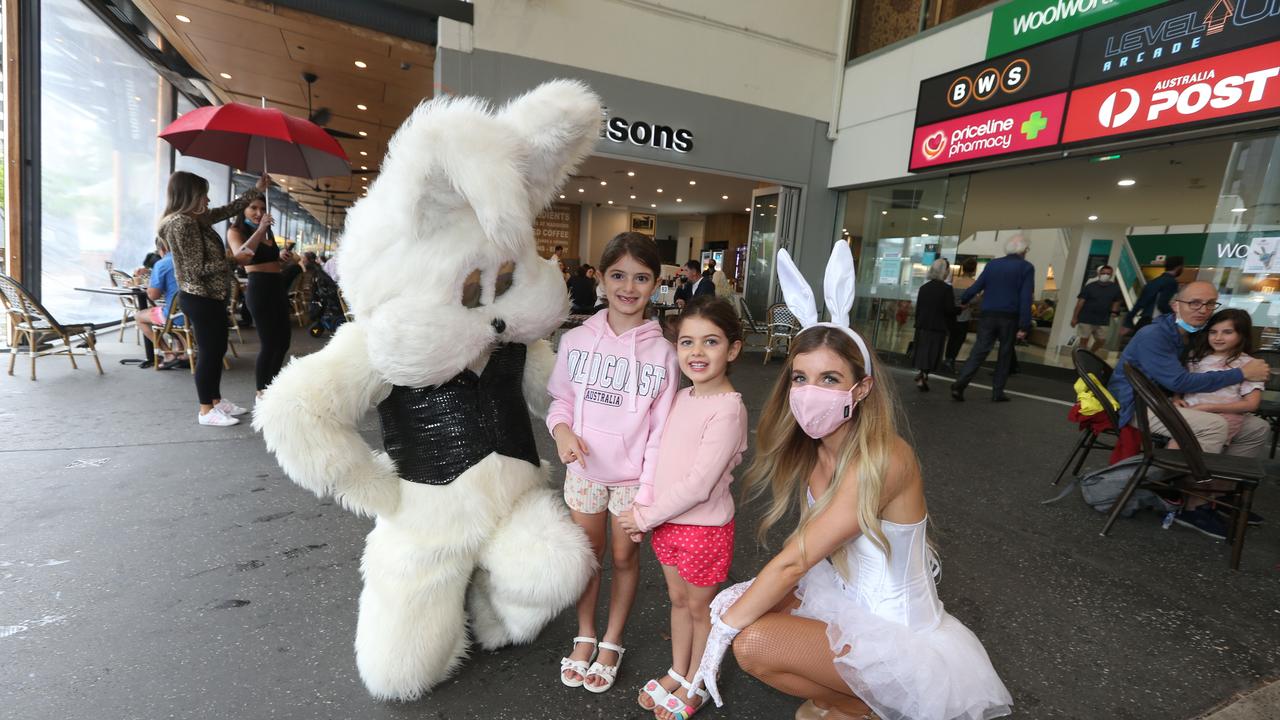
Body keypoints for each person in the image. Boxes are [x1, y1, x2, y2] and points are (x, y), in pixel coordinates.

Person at [686, 243, 1012, 720]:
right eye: (800, 378)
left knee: (751, 639)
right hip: (843, 599)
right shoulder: (815, 448)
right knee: (752, 607)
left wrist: (723, 629)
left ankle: (868, 705)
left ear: (861, 389)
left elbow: (794, 562)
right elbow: (806, 548)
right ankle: (858, 703)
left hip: (898, 633)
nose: (809, 393)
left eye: (830, 379)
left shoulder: (884, 457)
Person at [546, 231, 680, 694]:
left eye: (641, 277)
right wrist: (562, 431)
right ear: (600, 278)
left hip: (632, 480)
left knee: (625, 557)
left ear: (656, 283)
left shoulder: (664, 353)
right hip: (583, 472)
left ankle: (612, 640)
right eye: (618, 274)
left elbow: (663, 430)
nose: (629, 286)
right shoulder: (576, 341)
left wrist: (646, 491)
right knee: (589, 557)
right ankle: (585, 634)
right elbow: (561, 402)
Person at [616, 296, 748, 718]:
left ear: (733, 349)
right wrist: (645, 506)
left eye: (710, 342)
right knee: (677, 601)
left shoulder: (729, 410)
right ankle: (678, 667)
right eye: (687, 342)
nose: (696, 352)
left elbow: (699, 485)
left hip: (703, 530)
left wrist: (644, 516)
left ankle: (698, 679)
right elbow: (658, 455)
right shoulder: (681, 396)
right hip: (668, 526)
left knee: (700, 609)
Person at [1106, 282, 1270, 536]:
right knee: (1216, 425)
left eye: (1209, 303)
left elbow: (1179, 379)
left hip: (1166, 400)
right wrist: (1242, 373)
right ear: (1175, 305)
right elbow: (1179, 380)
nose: (1203, 309)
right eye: (1194, 302)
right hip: (1139, 406)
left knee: (1258, 428)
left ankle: (1216, 494)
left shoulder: (1195, 334)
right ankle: (1189, 503)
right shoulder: (1155, 334)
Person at [158, 171, 268, 426]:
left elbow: (227, 210)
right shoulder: (182, 224)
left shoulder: (194, 220)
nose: (207, 199)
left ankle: (215, 400)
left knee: (216, 349)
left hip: (208, 296)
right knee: (209, 353)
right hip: (200, 296)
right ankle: (206, 409)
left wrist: (256, 189)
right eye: (203, 194)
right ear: (191, 196)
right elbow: (195, 268)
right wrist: (234, 259)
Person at [1172, 308, 1269, 537]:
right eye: (1213, 331)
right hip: (1193, 417)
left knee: (1216, 453)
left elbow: (1251, 404)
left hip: (1222, 417)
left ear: (1242, 335)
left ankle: (1212, 498)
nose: (1218, 337)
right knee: (1194, 452)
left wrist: (1209, 407)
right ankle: (1192, 502)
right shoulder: (1196, 357)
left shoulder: (1247, 364)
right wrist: (1177, 398)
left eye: (1227, 332)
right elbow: (1180, 385)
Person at [950, 235, 1035, 402]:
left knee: (979, 351)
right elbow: (1026, 297)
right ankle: (997, 392)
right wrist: (1025, 325)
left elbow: (977, 286)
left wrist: (965, 300)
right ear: (1023, 250)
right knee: (1004, 354)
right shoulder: (1026, 267)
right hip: (1009, 317)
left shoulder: (993, 264)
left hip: (988, 315)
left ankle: (960, 384)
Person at [227, 195, 291, 396]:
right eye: (253, 208)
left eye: (262, 208)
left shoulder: (267, 231)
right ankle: (262, 392)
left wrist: (280, 258)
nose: (258, 212)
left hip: (277, 284)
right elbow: (242, 257)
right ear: (243, 210)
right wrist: (261, 229)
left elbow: (268, 259)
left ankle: (273, 386)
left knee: (283, 342)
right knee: (269, 343)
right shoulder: (236, 231)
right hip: (259, 287)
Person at [911, 258, 958, 392]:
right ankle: (924, 376)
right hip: (938, 326)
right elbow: (949, 310)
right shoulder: (946, 289)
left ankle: (922, 373)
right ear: (944, 271)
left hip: (922, 325)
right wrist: (960, 309)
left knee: (923, 351)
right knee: (933, 353)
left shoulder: (924, 288)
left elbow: (919, 308)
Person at [135, 239, 182, 369]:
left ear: (163, 249)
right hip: (198, 312)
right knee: (169, 311)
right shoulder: (189, 260)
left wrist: (151, 284)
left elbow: (153, 295)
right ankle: (184, 353)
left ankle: (168, 354)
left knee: (139, 317)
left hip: (177, 316)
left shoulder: (162, 264)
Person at [1123, 255, 1183, 334]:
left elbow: (1139, 303)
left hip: (1143, 322)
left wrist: (1128, 321)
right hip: (1157, 322)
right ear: (1178, 267)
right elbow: (1162, 304)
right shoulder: (1171, 282)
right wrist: (1177, 318)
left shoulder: (1153, 282)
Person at [1072, 265, 1125, 353]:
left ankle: (1091, 353)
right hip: (1086, 317)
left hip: (1103, 319)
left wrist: (1114, 311)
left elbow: (1117, 300)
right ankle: (1082, 355)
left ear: (1111, 275)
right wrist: (1075, 317)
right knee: (1084, 340)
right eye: (1103, 273)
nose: (1105, 275)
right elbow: (1080, 302)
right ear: (1099, 273)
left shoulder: (1115, 288)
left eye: (1108, 273)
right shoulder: (1090, 286)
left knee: (1102, 340)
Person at [942, 258, 978, 374]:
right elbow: (975, 300)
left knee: (952, 338)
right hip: (964, 315)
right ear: (974, 269)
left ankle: (947, 359)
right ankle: (950, 361)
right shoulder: (973, 283)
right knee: (959, 339)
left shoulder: (955, 281)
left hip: (952, 315)